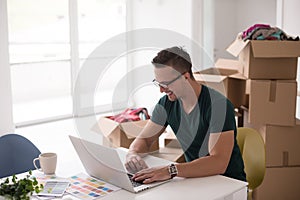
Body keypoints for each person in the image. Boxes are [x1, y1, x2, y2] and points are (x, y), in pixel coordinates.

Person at [125, 46, 246, 184]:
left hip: (229, 183)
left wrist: (170, 170)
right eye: (158, 83)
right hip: (196, 179)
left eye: (165, 84)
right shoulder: (166, 104)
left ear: (185, 77)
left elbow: (218, 162)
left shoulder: (218, 106)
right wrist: (132, 154)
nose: (161, 90)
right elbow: (145, 140)